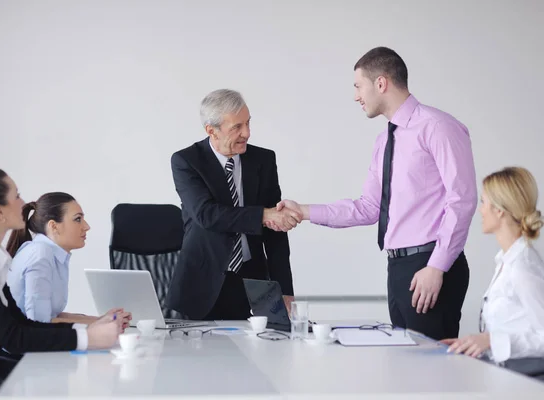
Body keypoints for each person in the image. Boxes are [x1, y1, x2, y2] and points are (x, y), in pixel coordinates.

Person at [271, 47, 477, 340]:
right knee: (406, 370)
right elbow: (368, 207)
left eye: (358, 86)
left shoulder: (438, 127)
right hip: (398, 268)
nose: (356, 96)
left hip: (431, 265)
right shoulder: (384, 140)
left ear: (381, 83)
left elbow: (463, 199)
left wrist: (436, 266)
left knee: (433, 374)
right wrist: (302, 211)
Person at [0, 168, 123, 396]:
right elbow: (12, 337)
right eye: (17, 196)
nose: (23, 202)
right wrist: (88, 338)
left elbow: (21, 322)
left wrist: (87, 328)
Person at [167, 89, 302, 321]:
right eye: (236, 127)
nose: (247, 133)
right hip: (203, 282)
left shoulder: (264, 160)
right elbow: (206, 215)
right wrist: (262, 215)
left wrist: (285, 289)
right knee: (198, 356)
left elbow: (275, 232)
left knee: (271, 352)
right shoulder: (186, 161)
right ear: (212, 130)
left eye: (248, 123)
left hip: (254, 280)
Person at [442, 167, 544, 378]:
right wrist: (472, 343)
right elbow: (512, 324)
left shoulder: (523, 268)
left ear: (499, 210)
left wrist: (490, 341)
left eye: (483, 202)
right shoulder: (505, 261)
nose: (481, 210)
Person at [6, 192, 131, 325]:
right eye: (78, 219)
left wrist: (103, 320)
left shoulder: (49, 254)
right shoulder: (40, 254)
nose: (86, 226)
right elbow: (40, 323)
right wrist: (99, 324)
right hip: (25, 343)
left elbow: (53, 315)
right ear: (54, 226)